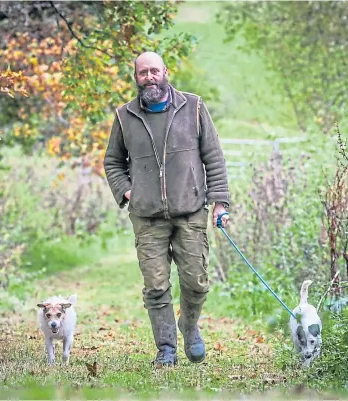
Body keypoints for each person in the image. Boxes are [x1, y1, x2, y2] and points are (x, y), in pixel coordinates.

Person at [103, 51, 230, 366]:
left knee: (196, 282)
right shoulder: (124, 116)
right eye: (143, 72)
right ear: (136, 77)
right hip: (147, 218)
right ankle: (166, 349)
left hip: (191, 212)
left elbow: (213, 156)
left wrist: (220, 203)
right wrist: (128, 191)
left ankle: (189, 326)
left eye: (154, 71)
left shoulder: (194, 106)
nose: (149, 77)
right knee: (156, 286)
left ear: (165, 72)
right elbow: (112, 162)